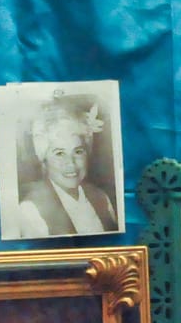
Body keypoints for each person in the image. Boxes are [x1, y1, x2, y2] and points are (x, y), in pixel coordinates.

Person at [17, 101, 117, 238]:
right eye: (59, 153)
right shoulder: (31, 210)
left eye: (78, 152)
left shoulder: (101, 198)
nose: (70, 163)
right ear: (44, 160)